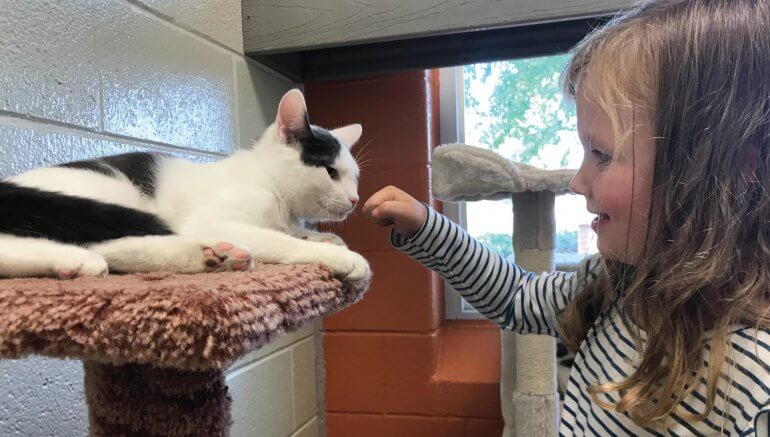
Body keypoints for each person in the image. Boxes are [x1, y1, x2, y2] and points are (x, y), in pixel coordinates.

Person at [363, 0, 770, 434]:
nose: (577, 181)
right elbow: (517, 297)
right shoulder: (618, 283)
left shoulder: (753, 378)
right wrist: (427, 228)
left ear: (726, 172)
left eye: (602, 154)